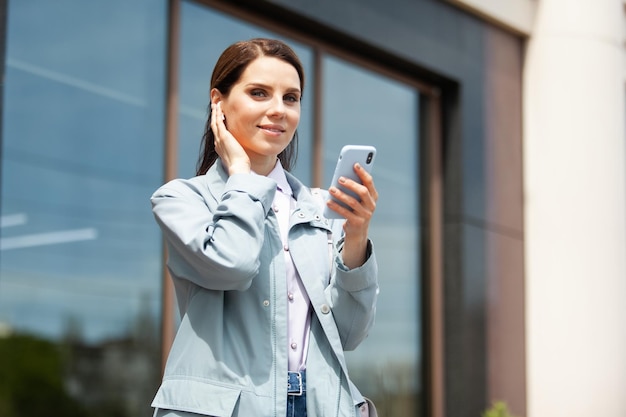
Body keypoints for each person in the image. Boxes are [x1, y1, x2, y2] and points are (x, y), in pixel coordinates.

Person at [150, 38, 379, 417]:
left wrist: (355, 236)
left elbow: (350, 333)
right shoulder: (181, 200)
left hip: (320, 406)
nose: (278, 110)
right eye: (259, 93)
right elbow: (232, 265)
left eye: (291, 98)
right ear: (218, 102)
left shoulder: (320, 209)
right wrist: (241, 176)